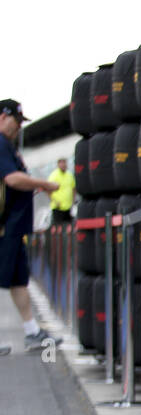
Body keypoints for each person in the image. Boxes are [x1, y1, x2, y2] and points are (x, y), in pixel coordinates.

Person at [0, 100, 61, 351]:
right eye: (16, 121)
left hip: (13, 227)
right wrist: (43, 184)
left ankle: (32, 331)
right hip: (5, 227)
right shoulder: (0, 144)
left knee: (17, 280)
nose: (18, 128)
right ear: (3, 117)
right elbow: (12, 178)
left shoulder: (8, 147)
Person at [47, 157, 75, 227]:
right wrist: (55, 201)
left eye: (64, 162)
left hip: (68, 207)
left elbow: (73, 188)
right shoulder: (54, 175)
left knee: (69, 228)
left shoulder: (69, 175)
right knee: (58, 228)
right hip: (58, 208)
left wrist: (73, 201)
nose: (63, 165)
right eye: (61, 163)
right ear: (58, 164)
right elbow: (48, 189)